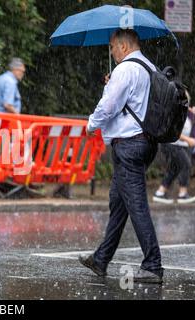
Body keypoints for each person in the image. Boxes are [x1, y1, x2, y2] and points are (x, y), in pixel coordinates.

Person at [79, 29, 164, 284]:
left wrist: (91, 124)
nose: (112, 53)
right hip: (145, 143)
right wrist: (112, 85)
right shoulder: (149, 67)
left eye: (113, 48)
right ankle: (101, 259)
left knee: (136, 206)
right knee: (119, 203)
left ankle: (153, 265)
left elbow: (109, 106)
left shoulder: (125, 69)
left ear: (124, 46)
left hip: (129, 145)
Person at [153, 89, 195, 204]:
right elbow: (173, 131)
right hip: (171, 145)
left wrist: (192, 114)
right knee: (186, 164)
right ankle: (183, 195)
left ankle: (160, 193)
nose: (186, 103)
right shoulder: (173, 112)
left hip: (178, 145)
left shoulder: (183, 112)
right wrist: (188, 140)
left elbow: (187, 127)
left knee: (174, 168)